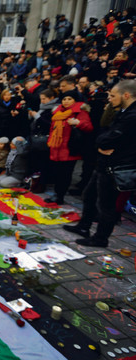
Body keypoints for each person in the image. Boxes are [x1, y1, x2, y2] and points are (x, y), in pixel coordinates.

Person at [63, 81, 136, 247]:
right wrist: (102, 144)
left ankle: (100, 238)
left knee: (106, 205)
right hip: (105, 163)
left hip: (117, 165)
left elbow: (110, 138)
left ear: (126, 95)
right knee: (89, 196)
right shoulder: (122, 112)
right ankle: (84, 226)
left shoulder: (132, 116)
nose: (109, 99)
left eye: (113, 96)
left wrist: (104, 143)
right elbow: (102, 134)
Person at [45, 90, 93, 204]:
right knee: (57, 173)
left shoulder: (80, 112)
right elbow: (52, 130)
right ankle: (57, 194)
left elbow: (89, 127)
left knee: (65, 174)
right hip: (56, 147)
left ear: (75, 100)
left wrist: (78, 123)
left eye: (69, 99)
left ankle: (59, 196)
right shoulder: (57, 113)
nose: (66, 101)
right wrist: (50, 142)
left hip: (70, 148)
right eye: (64, 99)